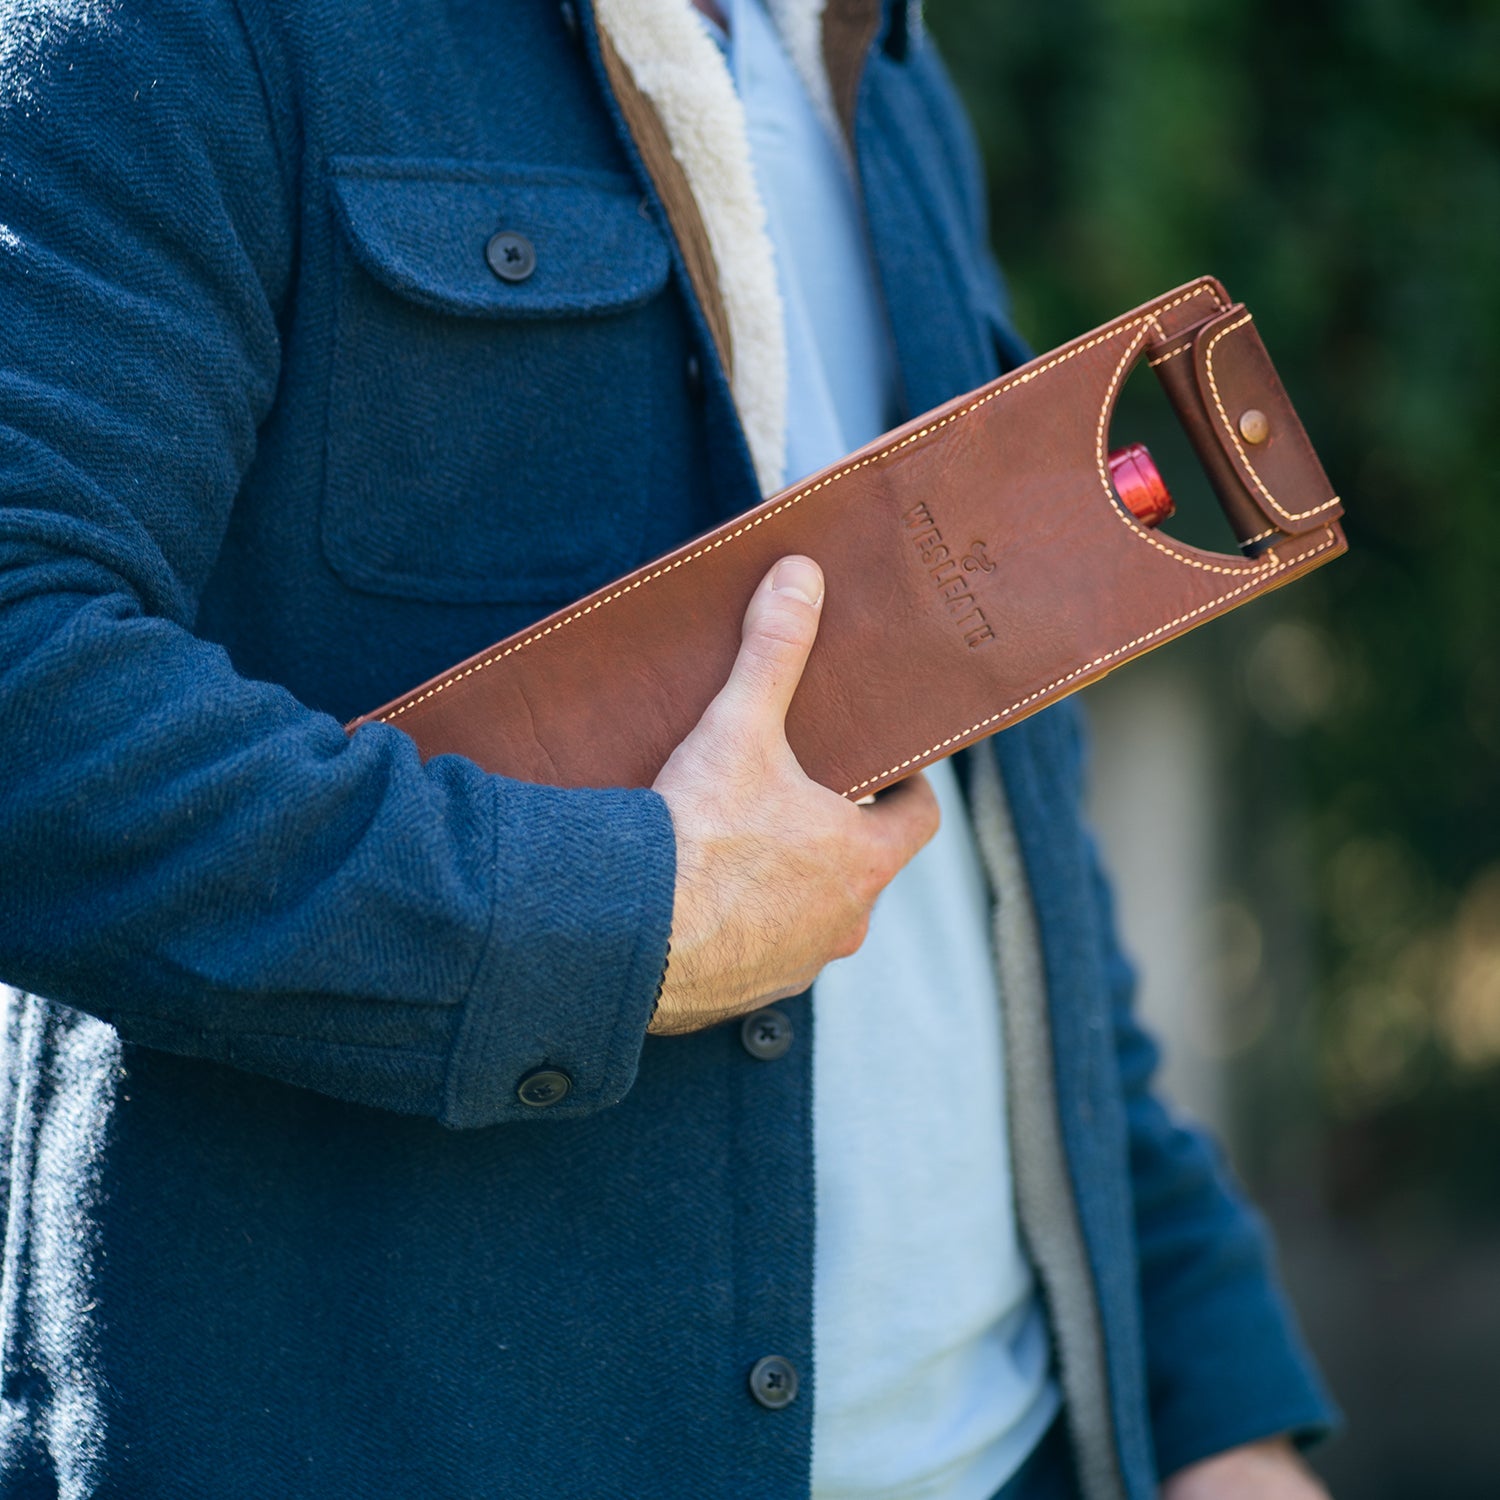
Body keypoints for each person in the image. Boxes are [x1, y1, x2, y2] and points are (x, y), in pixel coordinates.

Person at [0, 0, 1335, 1495]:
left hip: (1009, 1453)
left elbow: (1014, 858)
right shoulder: (196, 31)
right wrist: (629, 918)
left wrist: (1210, 1398)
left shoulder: (869, 54)